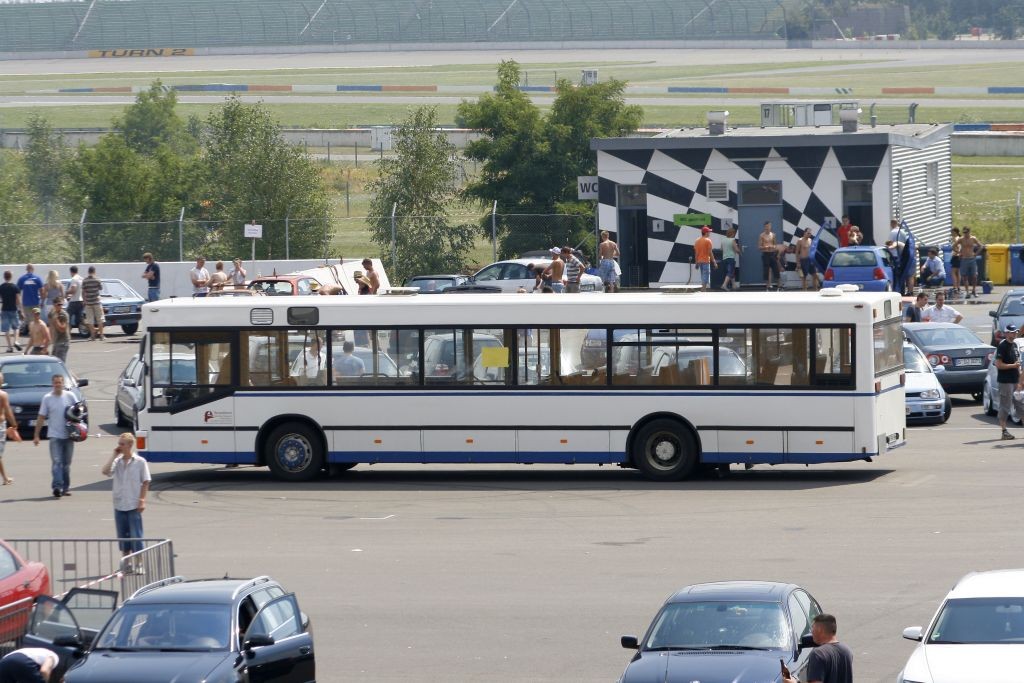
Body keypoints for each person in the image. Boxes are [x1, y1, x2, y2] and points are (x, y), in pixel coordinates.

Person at [102, 433, 151, 566]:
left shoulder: (140, 462)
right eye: (119, 444)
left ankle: (139, 562)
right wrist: (114, 455)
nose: (119, 446)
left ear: (130, 445)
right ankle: (126, 562)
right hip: (119, 503)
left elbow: (146, 481)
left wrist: (142, 500)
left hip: (133, 503)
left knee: (136, 535)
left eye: (122, 444)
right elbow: (105, 471)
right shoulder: (117, 461)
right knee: (123, 535)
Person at [33, 374, 78, 498]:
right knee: (57, 462)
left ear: (63, 383)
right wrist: (36, 435)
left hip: (69, 435)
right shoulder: (47, 398)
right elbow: (41, 417)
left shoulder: (70, 396)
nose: (58, 385)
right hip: (54, 436)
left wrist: (80, 429)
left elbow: (80, 411)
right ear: (52, 384)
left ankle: (65, 488)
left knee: (66, 464)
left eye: (60, 382)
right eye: (56, 383)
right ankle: (57, 487)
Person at [783, 614, 852, 683]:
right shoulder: (847, 651)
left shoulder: (818, 654)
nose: (811, 632)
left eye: (813, 628)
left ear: (819, 630)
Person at [994, 324, 1024, 440]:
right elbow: (998, 364)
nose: (1014, 333)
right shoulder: (1002, 346)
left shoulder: (1015, 345)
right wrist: (1013, 365)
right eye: (1012, 332)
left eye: (1016, 331)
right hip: (1005, 381)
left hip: (1015, 380)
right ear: (1006, 333)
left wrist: (1020, 380)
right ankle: (1004, 431)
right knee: (1005, 406)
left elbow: (1018, 364)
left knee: (1021, 405)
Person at [0, 372, 17, 485]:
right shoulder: (3, 395)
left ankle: (5, 478)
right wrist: (14, 424)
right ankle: (5, 478)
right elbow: (8, 411)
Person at [959, 227, 983, 299]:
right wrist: (959, 253)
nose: (965, 234)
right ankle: (967, 292)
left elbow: (981, 246)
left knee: (974, 276)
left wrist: (976, 254)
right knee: (964, 276)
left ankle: (974, 290)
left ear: (969, 232)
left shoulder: (973, 238)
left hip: (972, 259)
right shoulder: (961, 239)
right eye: (964, 232)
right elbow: (953, 246)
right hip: (964, 259)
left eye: (966, 232)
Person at [81, 266, 104, 341]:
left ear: (88, 272)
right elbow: (101, 288)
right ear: (94, 271)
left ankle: (92, 336)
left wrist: (84, 300)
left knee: (90, 320)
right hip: (96, 302)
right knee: (99, 319)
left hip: (88, 302)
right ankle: (101, 336)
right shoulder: (97, 279)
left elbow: (83, 292)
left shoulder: (85, 280)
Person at [1, 271, 21, 353]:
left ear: (4, 277)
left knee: (6, 329)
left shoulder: (1, 287)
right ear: (11, 277)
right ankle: (16, 341)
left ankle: (9, 347)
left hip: (4, 309)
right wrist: (21, 310)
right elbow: (18, 300)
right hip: (13, 309)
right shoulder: (15, 287)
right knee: (16, 327)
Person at [758, 221, 780, 290]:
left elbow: (775, 245)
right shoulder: (762, 235)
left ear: (771, 227)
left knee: (776, 270)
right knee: (766, 271)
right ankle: (767, 287)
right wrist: (766, 247)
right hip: (766, 254)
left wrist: (773, 247)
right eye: (766, 226)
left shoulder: (773, 235)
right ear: (764, 227)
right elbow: (759, 247)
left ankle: (779, 287)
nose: (768, 228)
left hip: (772, 254)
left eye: (769, 226)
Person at [694, 226, 717, 291]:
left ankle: (704, 289)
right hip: (706, 261)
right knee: (706, 275)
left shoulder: (697, 241)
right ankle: (703, 289)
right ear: (706, 233)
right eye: (709, 232)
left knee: (703, 275)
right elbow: (710, 252)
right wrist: (714, 262)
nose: (710, 233)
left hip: (699, 261)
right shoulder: (708, 241)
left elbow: (696, 253)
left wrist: (696, 262)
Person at [47, 298, 70, 363]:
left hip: (63, 342)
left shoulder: (63, 314)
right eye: (58, 305)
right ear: (54, 305)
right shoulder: (53, 313)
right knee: (54, 363)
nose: (60, 306)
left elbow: (62, 329)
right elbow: (49, 318)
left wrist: (56, 320)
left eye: (61, 305)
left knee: (60, 363)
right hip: (56, 341)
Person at [720, 227, 740, 291]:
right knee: (730, 272)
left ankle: (734, 285)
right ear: (732, 233)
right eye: (734, 233)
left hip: (724, 258)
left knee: (731, 272)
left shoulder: (723, 240)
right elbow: (736, 249)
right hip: (731, 258)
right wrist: (740, 252)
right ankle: (724, 285)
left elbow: (721, 249)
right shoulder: (732, 240)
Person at [66, 265, 83, 331]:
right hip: (81, 301)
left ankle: (68, 331)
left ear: (71, 272)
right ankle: (89, 329)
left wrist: (66, 292)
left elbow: (73, 290)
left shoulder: (74, 279)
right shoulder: (81, 279)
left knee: (67, 317)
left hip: (74, 301)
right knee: (80, 319)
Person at [950, 227, 962, 296]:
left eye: (952, 232)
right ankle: (958, 287)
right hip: (959, 257)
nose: (951, 233)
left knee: (953, 272)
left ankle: (955, 287)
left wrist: (957, 252)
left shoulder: (955, 238)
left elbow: (956, 247)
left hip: (956, 256)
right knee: (958, 272)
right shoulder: (959, 238)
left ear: (955, 232)